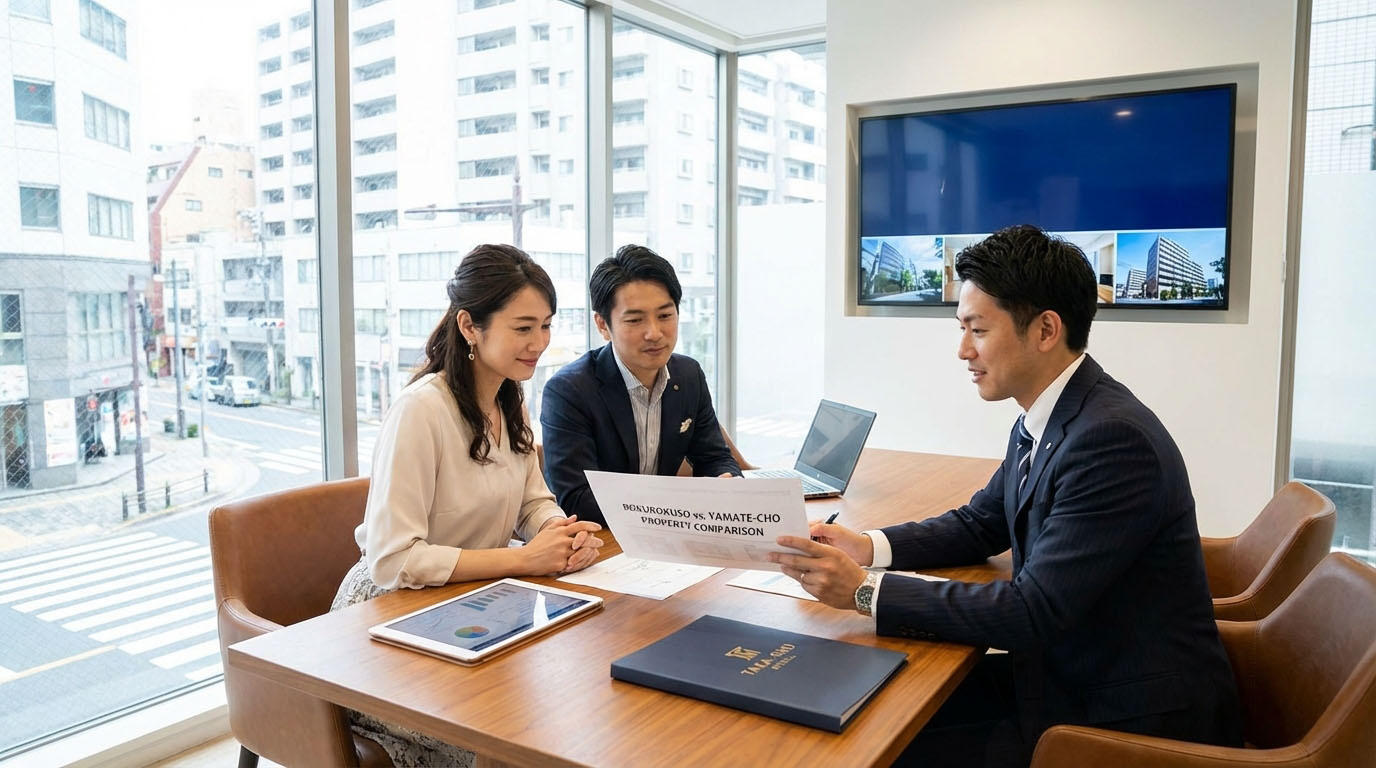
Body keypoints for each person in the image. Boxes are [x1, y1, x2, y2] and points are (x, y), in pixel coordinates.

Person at [769, 225, 1242, 767]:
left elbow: (1030, 611)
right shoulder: (1052, 413)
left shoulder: (1111, 441)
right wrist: (867, 548)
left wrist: (864, 592)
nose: (962, 350)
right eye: (961, 328)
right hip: (1063, 674)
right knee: (866, 709)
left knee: (876, 739)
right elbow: (980, 524)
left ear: (1045, 330)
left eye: (978, 329)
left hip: (1119, 718)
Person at [331, 243, 604, 767]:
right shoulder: (421, 411)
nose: (539, 343)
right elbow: (394, 560)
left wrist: (560, 533)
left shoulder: (509, 400)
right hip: (381, 620)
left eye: (545, 326)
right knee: (518, 736)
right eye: (523, 327)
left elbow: (531, 502)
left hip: (469, 603)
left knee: (564, 706)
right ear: (469, 326)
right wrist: (524, 560)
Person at [540, 244, 740, 527]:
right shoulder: (570, 391)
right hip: (607, 542)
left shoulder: (688, 374)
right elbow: (576, 498)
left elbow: (715, 457)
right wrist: (684, 506)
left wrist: (726, 483)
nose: (654, 333)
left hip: (671, 538)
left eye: (665, 315)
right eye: (635, 320)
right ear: (603, 325)